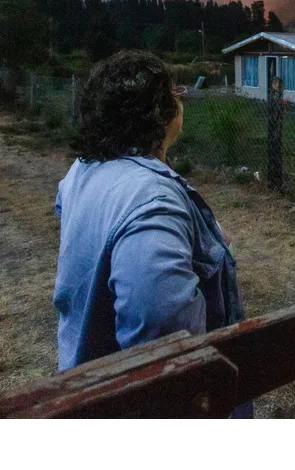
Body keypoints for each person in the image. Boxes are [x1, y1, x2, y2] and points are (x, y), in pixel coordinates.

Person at [53, 50, 251, 416]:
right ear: (159, 113)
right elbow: (162, 332)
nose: (181, 99)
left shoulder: (81, 174)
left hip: (84, 384)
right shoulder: (153, 201)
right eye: (173, 92)